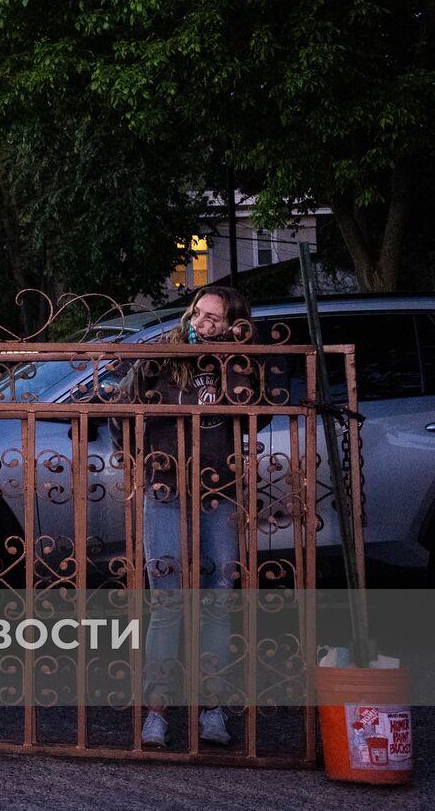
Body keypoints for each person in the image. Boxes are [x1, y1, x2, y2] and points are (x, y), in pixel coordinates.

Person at [123, 286, 257, 749]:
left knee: (217, 602)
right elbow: (124, 405)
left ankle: (213, 710)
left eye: (213, 320)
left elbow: (253, 405)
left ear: (234, 325)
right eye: (197, 314)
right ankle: (157, 713)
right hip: (165, 490)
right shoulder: (163, 356)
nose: (200, 325)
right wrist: (142, 460)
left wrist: (230, 353)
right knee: (167, 602)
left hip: (219, 493)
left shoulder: (240, 363)